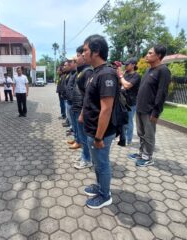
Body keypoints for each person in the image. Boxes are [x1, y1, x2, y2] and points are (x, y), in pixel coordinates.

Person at [82, 34, 119, 209]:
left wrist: (98, 137)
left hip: (101, 133)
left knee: (102, 164)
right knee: (97, 163)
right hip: (92, 130)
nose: (83, 54)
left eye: (85, 50)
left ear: (95, 52)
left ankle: (105, 195)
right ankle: (100, 186)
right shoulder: (95, 72)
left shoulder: (106, 74)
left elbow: (106, 109)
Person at [128, 45, 171, 167]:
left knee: (149, 134)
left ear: (158, 56)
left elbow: (162, 93)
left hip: (150, 110)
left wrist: (156, 112)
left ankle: (148, 157)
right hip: (140, 107)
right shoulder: (148, 70)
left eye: (150, 53)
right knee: (141, 133)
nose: (147, 55)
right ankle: (141, 153)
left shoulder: (163, 71)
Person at [72, 45, 93, 169]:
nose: (77, 58)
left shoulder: (88, 71)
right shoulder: (81, 71)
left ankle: (87, 159)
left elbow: (87, 95)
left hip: (81, 108)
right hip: (77, 106)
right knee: (81, 136)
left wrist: (82, 112)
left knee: (84, 137)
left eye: (79, 55)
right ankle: (84, 155)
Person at [117, 58, 141, 146]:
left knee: (128, 122)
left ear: (133, 65)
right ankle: (122, 137)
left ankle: (129, 140)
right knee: (122, 120)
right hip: (122, 101)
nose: (125, 66)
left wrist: (121, 76)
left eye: (127, 64)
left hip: (130, 102)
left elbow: (127, 85)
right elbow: (120, 83)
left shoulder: (136, 76)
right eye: (125, 64)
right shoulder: (125, 73)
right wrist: (118, 73)